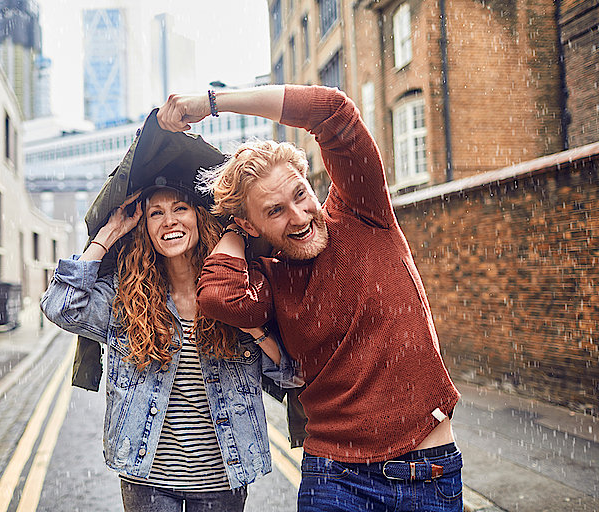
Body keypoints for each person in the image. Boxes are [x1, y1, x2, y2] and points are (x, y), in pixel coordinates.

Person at [157, 84, 463, 512]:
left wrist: (212, 104)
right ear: (250, 225)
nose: (299, 217)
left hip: (424, 472)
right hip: (333, 476)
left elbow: (332, 110)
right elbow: (219, 298)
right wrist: (231, 231)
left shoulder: (363, 212)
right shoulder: (269, 279)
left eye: (300, 194)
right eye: (274, 210)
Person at [40, 181, 297, 512]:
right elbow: (60, 306)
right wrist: (108, 234)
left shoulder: (237, 289)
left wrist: (250, 325)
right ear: (144, 227)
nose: (169, 221)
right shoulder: (126, 299)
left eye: (180, 208)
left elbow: (292, 376)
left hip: (222, 479)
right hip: (148, 480)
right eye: (155, 213)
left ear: (199, 217)